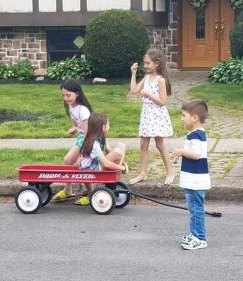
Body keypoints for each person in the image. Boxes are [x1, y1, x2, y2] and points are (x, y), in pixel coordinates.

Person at [128, 49, 174, 185]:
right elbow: (133, 90)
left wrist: (148, 94)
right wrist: (133, 74)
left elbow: (162, 101)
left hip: (157, 114)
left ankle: (170, 173)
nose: (145, 66)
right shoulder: (147, 78)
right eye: (144, 63)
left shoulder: (161, 80)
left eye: (148, 63)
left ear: (157, 64)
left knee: (160, 144)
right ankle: (143, 173)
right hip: (147, 114)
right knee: (143, 145)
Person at [173, 100, 211, 250]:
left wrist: (181, 151)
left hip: (196, 181)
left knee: (196, 210)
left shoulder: (196, 136)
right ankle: (194, 233)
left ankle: (200, 238)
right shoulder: (195, 134)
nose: (182, 118)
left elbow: (196, 154)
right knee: (193, 209)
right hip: (192, 180)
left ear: (194, 118)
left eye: (184, 115)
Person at [75, 112, 128, 205]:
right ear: (103, 127)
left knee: (121, 146)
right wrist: (121, 167)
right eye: (108, 124)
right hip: (91, 171)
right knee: (117, 152)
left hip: (95, 166)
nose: (109, 126)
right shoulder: (94, 143)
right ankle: (114, 177)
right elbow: (106, 163)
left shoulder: (100, 138)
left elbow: (109, 150)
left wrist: (121, 161)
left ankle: (115, 179)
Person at [53, 79, 93, 201]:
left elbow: (88, 132)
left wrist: (83, 153)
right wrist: (74, 129)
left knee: (77, 164)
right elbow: (79, 125)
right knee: (69, 162)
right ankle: (68, 190)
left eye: (68, 95)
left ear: (77, 93)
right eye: (63, 95)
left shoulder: (83, 110)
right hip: (82, 137)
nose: (66, 98)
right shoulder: (71, 106)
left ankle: (92, 195)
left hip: (89, 139)